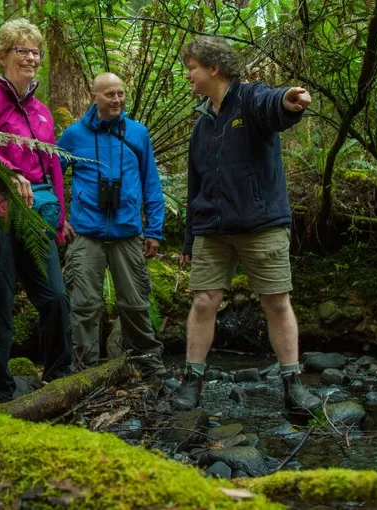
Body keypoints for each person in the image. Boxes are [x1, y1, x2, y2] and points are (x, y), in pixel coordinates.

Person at [174, 36, 322, 412]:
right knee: (204, 300)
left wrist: (289, 101)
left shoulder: (251, 99)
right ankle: (192, 381)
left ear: (214, 68)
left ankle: (292, 382)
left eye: (191, 68)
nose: (187, 75)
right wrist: (190, 240)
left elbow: (273, 105)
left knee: (276, 300)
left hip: (261, 224)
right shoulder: (202, 126)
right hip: (212, 228)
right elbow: (196, 186)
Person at [0, 18, 73, 406]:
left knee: (56, 297)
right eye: (21, 50)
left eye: (35, 51)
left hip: (37, 215)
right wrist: (7, 172)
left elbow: (52, 164)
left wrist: (59, 218)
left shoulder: (40, 110)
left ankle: (60, 376)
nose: (30, 57)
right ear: (3, 54)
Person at [58, 73, 167, 380]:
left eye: (120, 93)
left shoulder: (137, 133)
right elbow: (52, 175)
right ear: (94, 97)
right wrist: (58, 217)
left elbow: (151, 183)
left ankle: (149, 364)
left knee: (134, 304)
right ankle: (84, 371)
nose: (117, 99)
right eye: (109, 94)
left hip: (127, 232)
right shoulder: (73, 136)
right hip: (86, 233)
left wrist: (154, 230)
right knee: (84, 305)